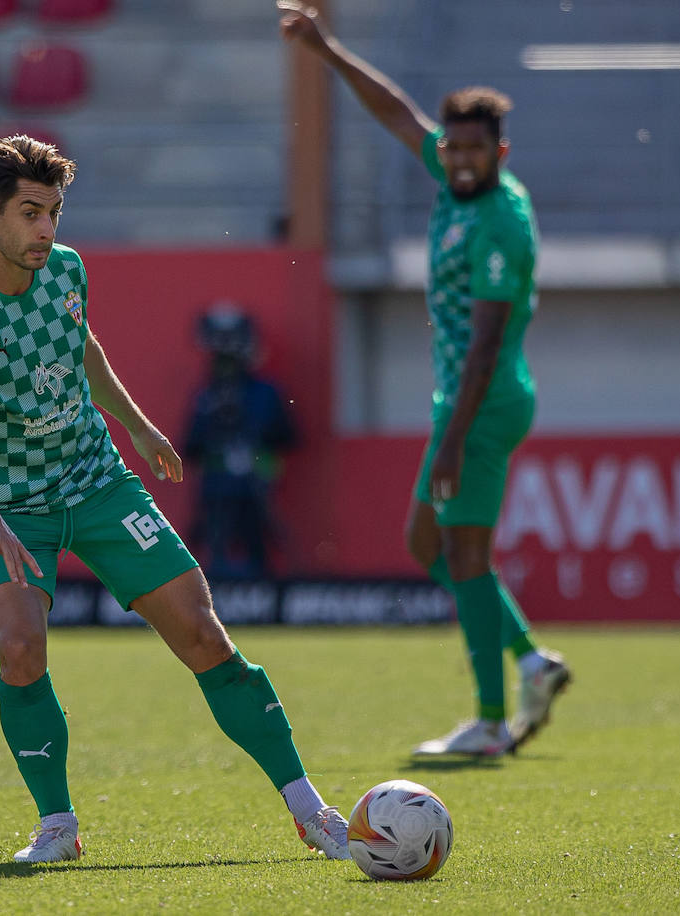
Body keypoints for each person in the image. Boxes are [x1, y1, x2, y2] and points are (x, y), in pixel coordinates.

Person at [0, 135, 350, 864]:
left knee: (205, 638)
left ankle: (311, 811)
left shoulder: (67, 269)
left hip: (96, 482)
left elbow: (82, 345)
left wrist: (136, 425)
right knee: (17, 649)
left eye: (54, 212)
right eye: (30, 213)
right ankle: (57, 827)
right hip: (10, 508)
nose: (47, 230)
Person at [279, 1, 571, 756]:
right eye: (454, 149)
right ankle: (530, 660)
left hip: (485, 400)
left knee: (462, 554)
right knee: (426, 543)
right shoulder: (453, 175)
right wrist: (327, 49)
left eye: (475, 151)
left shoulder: (501, 224)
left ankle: (489, 720)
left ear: (501, 151)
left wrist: (451, 440)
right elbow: (397, 112)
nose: (460, 160)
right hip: (465, 402)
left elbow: (484, 345)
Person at [183, 303, 297, 580]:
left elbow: (288, 436)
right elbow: (190, 445)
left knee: (256, 549)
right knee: (216, 552)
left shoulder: (265, 392)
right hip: (216, 488)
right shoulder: (206, 395)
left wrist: (256, 448)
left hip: (254, 486)